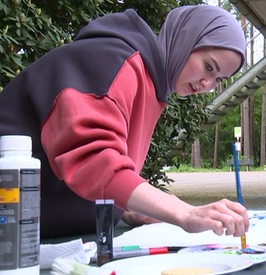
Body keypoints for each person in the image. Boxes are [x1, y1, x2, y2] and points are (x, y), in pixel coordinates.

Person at [0, 5, 250, 239]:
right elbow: (92, 160)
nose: (208, 84)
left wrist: (132, 210)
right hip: (12, 242)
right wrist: (183, 212)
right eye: (208, 67)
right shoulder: (113, 59)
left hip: (39, 241)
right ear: (186, 38)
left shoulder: (151, 83)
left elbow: (105, 179)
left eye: (218, 79)